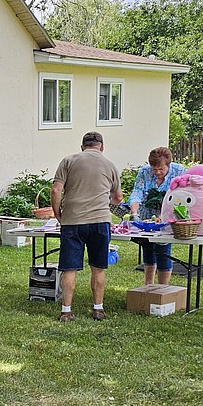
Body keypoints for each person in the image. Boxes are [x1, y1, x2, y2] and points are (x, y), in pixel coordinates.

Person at [51, 131, 122, 322]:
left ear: (82, 146)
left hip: (73, 221)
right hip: (100, 221)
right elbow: (118, 198)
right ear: (102, 147)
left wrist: (58, 213)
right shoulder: (110, 165)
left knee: (69, 268)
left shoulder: (69, 161)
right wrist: (104, 204)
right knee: (98, 268)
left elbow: (56, 189)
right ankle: (98, 309)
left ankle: (66, 311)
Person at [128, 147, 184, 286]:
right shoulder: (143, 172)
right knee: (147, 246)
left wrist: (163, 214)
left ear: (169, 165)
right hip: (147, 215)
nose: (157, 172)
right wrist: (134, 213)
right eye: (154, 169)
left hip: (168, 215)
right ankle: (149, 285)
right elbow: (137, 192)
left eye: (161, 169)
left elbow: (181, 196)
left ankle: (162, 288)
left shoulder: (179, 172)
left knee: (163, 249)